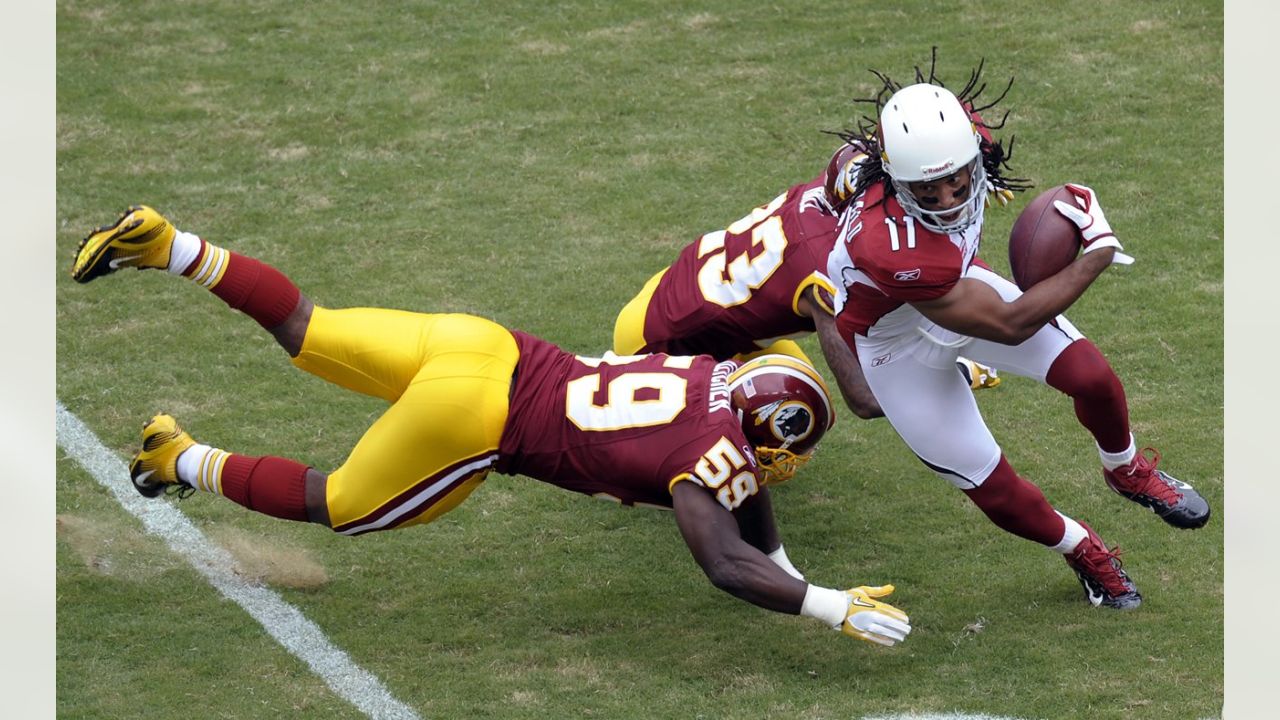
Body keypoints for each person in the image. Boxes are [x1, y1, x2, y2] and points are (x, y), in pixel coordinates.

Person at [69, 205, 912, 646]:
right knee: (343, 503)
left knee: (310, 329)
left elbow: (746, 497)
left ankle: (168, 244)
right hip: (478, 421)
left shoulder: (708, 375)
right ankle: (176, 457)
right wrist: (824, 604)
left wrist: (783, 561)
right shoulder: (713, 457)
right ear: (758, 437)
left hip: (487, 344)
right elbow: (723, 562)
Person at [823, 63, 1211, 609]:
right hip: (897, 346)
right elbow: (1012, 323)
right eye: (925, 189)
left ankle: (1125, 470)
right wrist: (1096, 253)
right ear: (892, 176)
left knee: (1091, 376)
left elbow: (840, 172)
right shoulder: (889, 248)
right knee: (995, 490)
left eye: (956, 177)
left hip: (956, 290)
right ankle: (1083, 549)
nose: (946, 197)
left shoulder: (959, 139)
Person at [612, 150, 1002, 421]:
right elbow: (863, 398)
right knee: (799, 411)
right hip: (660, 345)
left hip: (678, 291)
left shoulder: (836, 195)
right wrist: (958, 375)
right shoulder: (827, 268)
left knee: (810, 400)